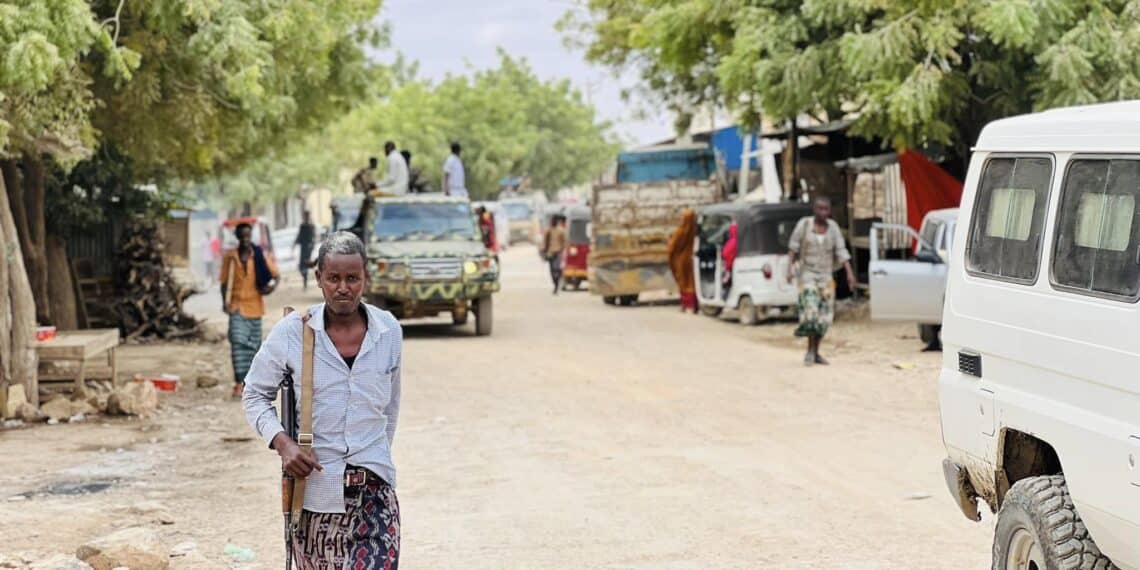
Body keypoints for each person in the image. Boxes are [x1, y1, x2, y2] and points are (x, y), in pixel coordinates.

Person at [243, 232, 403, 568]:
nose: (343, 287)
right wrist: (284, 444)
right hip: (315, 495)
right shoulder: (292, 333)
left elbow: (389, 409)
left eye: (352, 278)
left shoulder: (389, 331)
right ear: (319, 279)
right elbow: (254, 394)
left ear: (365, 278)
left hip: (375, 494)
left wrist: (374, 457)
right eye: (333, 278)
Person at [787, 197, 856, 366]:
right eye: (820, 209)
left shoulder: (833, 228)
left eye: (826, 209)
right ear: (814, 210)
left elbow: (841, 251)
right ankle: (810, 351)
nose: (823, 213)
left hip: (826, 275)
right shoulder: (804, 225)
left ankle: (816, 351)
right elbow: (793, 247)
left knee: (824, 317)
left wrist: (849, 273)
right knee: (811, 312)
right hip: (808, 274)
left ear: (829, 211)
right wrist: (789, 268)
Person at [220, 223, 280, 397]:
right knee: (237, 342)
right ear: (237, 237)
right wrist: (224, 302)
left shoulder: (259, 255)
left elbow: (276, 276)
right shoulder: (230, 257)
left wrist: (270, 288)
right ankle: (239, 382)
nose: (245, 239)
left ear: (251, 236)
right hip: (236, 306)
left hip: (255, 306)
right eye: (242, 236)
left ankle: (251, 382)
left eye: (248, 236)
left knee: (254, 346)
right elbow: (224, 282)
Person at [666, 209, 698, 313]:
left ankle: (686, 305)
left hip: (681, 260)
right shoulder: (695, 230)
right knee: (692, 282)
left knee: (683, 282)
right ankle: (693, 305)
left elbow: (673, 246)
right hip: (692, 259)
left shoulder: (681, 230)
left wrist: (669, 242)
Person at [542, 214, 566, 295]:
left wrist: (563, 250)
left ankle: (557, 284)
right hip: (550, 253)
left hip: (558, 252)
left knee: (557, 269)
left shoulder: (560, 231)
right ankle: (555, 284)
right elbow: (544, 242)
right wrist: (543, 251)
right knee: (552, 270)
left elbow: (564, 241)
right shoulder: (548, 231)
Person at [294, 211, 317, 291]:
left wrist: (312, 246)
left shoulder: (311, 226)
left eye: (306, 215)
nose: (305, 217)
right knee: (301, 266)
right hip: (303, 248)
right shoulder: (302, 226)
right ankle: (304, 280)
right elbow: (299, 236)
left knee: (305, 265)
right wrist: (294, 244)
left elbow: (314, 237)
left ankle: (305, 283)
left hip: (308, 248)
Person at [721, 221, 739, 300]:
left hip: (730, 267)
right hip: (734, 266)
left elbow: (725, 254)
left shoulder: (732, 242)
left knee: (726, 282)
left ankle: (724, 298)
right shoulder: (738, 241)